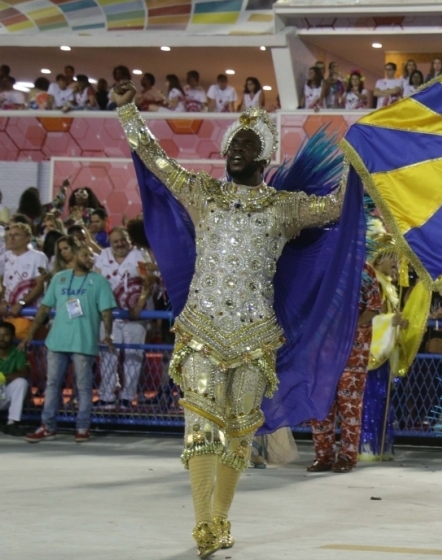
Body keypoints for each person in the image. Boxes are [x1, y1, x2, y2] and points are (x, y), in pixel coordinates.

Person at [111, 80, 358, 557]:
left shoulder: (284, 208)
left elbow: (336, 207)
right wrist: (127, 112)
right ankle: (204, 526)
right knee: (201, 425)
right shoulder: (202, 194)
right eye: (233, 144)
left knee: (240, 431)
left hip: (255, 336)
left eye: (249, 145)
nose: (238, 149)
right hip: (202, 328)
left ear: (264, 159)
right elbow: (157, 162)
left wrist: (356, 163)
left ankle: (220, 518)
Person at [310, 243, 401, 472]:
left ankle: (347, 457)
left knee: (350, 405)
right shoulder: (320, 267)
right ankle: (323, 456)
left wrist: (349, 328)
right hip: (323, 350)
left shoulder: (365, 269)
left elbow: (373, 307)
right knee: (320, 404)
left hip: (354, 349)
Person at [21, 239, 116, 444]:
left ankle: (82, 426)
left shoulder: (99, 282)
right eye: (85, 255)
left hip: (84, 341)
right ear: (75, 256)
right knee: (52, 384)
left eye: (91, 256)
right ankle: (48, 426)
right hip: (56, 341)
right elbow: (45, 308)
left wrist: (108, 334)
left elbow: (106, 312)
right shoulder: (60, 278)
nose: (89, 259)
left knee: (83, 386)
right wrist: (30, 332)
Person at [93, 227, 156, 407]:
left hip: (135, 316)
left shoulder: (139, 255)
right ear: (110, 243)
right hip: (109, 316)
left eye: (123, 240)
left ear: (129, 240)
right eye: (115, 241)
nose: (119, 244)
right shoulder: (103, 255)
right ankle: (107, 396)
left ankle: (127, 397)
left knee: (133, 356)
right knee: (108, 356)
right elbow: (96, 281)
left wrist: (139, 305)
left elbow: (149, 281)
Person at [0, 222, 48, 340]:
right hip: (9, 314)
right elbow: (3, 284)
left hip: (31, 314)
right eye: (8, 235)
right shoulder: (4, 257)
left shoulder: (38, 256)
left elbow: (40, 286)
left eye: (16, 235)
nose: (11, 238)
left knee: (27, 351)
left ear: (27, 238)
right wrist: (3, 300)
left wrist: (21, 304)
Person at [0, 321, 29, 436]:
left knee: (21, 382)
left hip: (6, 393)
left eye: (6, 335)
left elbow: (24, 372)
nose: (2, 338)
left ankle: (11, 424)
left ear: (12, 337)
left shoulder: (18, 352)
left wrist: (2, 377)